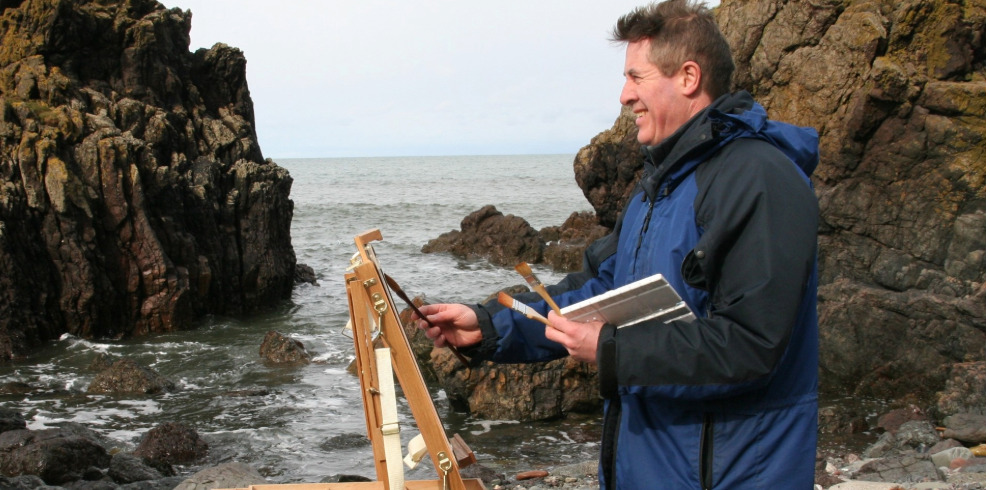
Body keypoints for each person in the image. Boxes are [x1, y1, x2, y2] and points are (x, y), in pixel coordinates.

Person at [414, 1, 820, 488]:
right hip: (649, 466)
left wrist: (611, 350)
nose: (624, 95)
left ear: (688, 77)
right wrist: (488, 326)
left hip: (728, 474)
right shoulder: (659, 188)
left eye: (636, 77)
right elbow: (597, 290)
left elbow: (752, 345)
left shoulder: (758, 178)